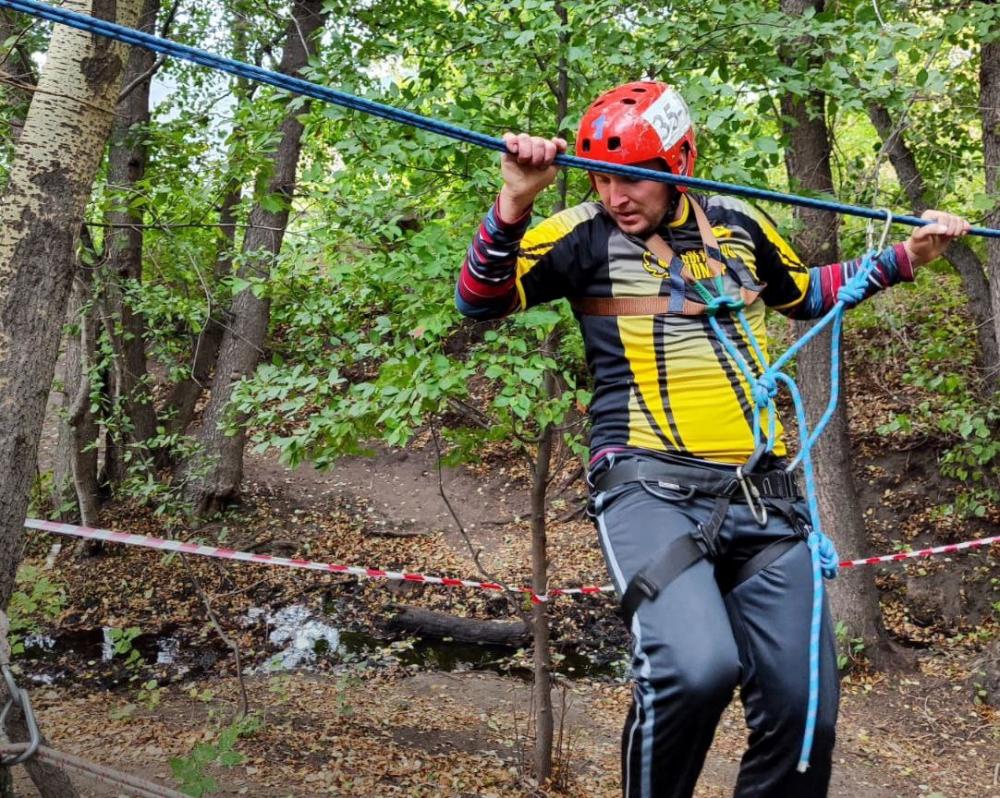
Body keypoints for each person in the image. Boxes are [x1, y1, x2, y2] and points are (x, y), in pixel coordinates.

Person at [455, 80, 969, 798]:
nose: (613, 195)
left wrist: (908, 257)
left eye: (631, 177)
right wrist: (513, 203)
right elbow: (479, 300)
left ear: (677, 165)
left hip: (761, 497)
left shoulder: (736, 223)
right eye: (601, 177)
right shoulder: (579, 233)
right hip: (645, 485)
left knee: (805, 710)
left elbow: (807, 291)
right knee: (694, 670)